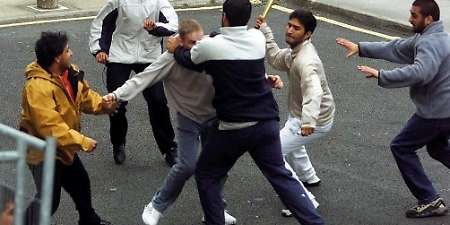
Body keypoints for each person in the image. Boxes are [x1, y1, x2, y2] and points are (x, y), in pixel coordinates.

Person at [169, 0, 325, 224]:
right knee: (280, 176)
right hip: (266, 122)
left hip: (234, 126)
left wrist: (175, 49)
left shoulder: (210, 47)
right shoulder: (257, 38)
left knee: (207, 174)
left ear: (224, 16)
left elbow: (189, 60)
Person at [103, 19, 238, 225]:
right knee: (186, 165)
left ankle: (214, 209)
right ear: (179, 42)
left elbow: (239, 64)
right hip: (189, 117)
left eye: (200, 41)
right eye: (192, 43)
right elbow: (142, 79)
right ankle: (155, 206)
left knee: (219, 165)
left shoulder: (209, 49)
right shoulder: (169, 60)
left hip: (214, 116)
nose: (198, 47)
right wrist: (115, 95)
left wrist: (265, 78)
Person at [336, 0, 450, 218]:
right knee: (437, 148)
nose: (410, 18)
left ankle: (430, 200)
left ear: (429, 19)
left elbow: (420, 72)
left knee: (401, 146)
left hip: (436, 111)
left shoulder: (429, 43)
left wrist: (382, 75)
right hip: (445, 109)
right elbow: (396, 47)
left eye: (414, 15)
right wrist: (360, 48)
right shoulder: (433, 37)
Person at [20, 31, 116, 225]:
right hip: (42, 151)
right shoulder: (37, 88)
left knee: (80, 182)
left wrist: (103, 105)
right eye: (67, 50)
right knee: (49, 201)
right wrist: (82, 141)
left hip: (63, 146)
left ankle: (89, 220)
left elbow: (85, 96)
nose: (71, 53)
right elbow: (50, 127)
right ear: (57, 57)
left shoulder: (69, 72)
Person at [256, 8, 334, 215]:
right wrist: (265, 31)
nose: (290, 30)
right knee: (293, 141)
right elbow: (274, 58)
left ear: (308, 34)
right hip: (301, 114)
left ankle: (304, 200)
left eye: (296, 28)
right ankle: (309, 176)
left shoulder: (306, 61)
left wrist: (308, 122)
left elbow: (314, 92)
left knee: (273, 153)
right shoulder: (295, 52)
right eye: (289, 25)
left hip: (313, 119)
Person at [89, 0, 178, 166]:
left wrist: (155, 27)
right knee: (116, 103)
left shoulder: (159, 2)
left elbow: (173, 25)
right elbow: (101, 23)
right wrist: (99, 49)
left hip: (149, 55)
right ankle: (118, 143)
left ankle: (169, 148)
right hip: (120, 54)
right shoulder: (118, 1)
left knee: (158, 102)